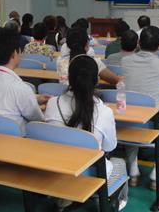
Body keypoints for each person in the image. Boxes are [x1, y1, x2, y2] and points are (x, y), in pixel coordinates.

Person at [45, 55, 128, 208]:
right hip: (89, 174)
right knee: (120, 163)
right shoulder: (104, 112)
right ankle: (115, 204)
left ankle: (67, 196)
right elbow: (109, 147)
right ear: (97, 80)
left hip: (56, 170)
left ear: (69, 78)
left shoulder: (52, 103)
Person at [121, 26, 159, 190]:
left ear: (139, 43)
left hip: (128, 121)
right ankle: (158, 173)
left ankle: (133, 173)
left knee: (131, 131)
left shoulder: (125, 61)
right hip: (152, 126)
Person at [0, 28, 48, 126]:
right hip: (13, 134)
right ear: (14, 53)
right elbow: (37, 118)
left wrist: (34, 99)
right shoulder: (21, 88)